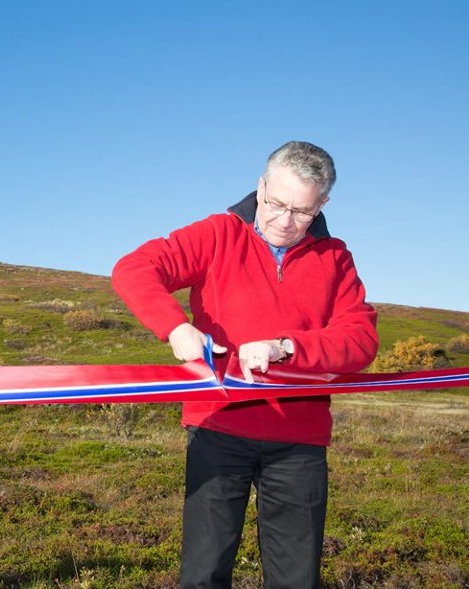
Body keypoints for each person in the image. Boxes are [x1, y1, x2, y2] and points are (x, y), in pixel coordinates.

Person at [111, 141, 378, 588]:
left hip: (299, 439)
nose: (284, 221)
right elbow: (134, 269)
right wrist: (175, 327)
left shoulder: (335, 257)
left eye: (302, 212)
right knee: (204, 572)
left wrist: (288, 347)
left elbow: (361, 339)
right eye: (275, 203)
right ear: (260, 185)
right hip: (218, 429)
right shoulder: (218, 234)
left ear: (323, 205)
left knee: (296, 578)